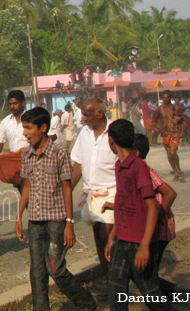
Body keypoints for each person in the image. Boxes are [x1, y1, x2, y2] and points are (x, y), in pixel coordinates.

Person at [15, 107, 96, 311]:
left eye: (28, 128)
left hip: (56, 221)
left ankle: (85, 301)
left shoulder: (59, 153)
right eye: (23, 128)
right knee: (37, 270)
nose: (24, 133)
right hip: (35, 220)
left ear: (43, 128)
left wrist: (70, 223)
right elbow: (27, 186)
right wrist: (18, 217)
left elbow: (67, 189)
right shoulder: (26, 154)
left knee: (55, 268)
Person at [103, 120, 168, 311]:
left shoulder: (138, 167)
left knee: (151, 295)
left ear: (111, 140)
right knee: (115, 293)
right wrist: (112, 238)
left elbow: (152, 207)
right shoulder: (119, 166)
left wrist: (145, 246)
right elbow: (123, 204)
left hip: (138, 242)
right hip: (121, 241)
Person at [70, 97, 117, 279]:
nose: (84, 119)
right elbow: (78, 165)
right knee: (99, 238)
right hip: (91, 196)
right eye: (82, 115)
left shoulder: (114, 131)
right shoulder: (84, 134)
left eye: (87, 115)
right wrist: (66, 190)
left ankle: (117, 281)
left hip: (111, 194)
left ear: (100, 113)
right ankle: (108, 278)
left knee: (110, 240)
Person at [130, 134, 179, 298]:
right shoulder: (137, 169)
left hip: (160, 229)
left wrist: (156, 216)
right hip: (154, 229)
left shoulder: (145, 171)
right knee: (148, 273)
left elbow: (170, 194)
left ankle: (174, 296)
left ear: (135, 153)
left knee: (148, 273)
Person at [0, 90, 30, 189]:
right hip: (16, 163)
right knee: (22, 189)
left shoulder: (31, 119)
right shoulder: (5, 122)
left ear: (22, 103)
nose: (12, 106)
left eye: (15, 103)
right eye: (10, 104)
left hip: (31, 160)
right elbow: (0, 140)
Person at [153, 91, 186, 182]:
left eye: (167, 97)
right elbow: (154, 121)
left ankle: (178, 169)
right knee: (169, 153)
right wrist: (160, 130)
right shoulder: (159, 109)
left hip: (175, 132)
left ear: (170, 98)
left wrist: (180, 120)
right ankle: (176, 172)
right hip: (165, 133)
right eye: (164, 97)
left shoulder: (176, 108)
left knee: (173, 151)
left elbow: (184, 119)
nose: (165, 99)